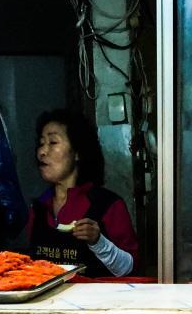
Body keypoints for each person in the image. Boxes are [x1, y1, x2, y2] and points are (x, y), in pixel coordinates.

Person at [26, 109, 141, 277]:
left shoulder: (108, 205)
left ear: (77, 152)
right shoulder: (38, 209)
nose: (42, 152)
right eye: (41, 143)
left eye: (53, 142)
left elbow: (130, 269)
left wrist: (99, 242)